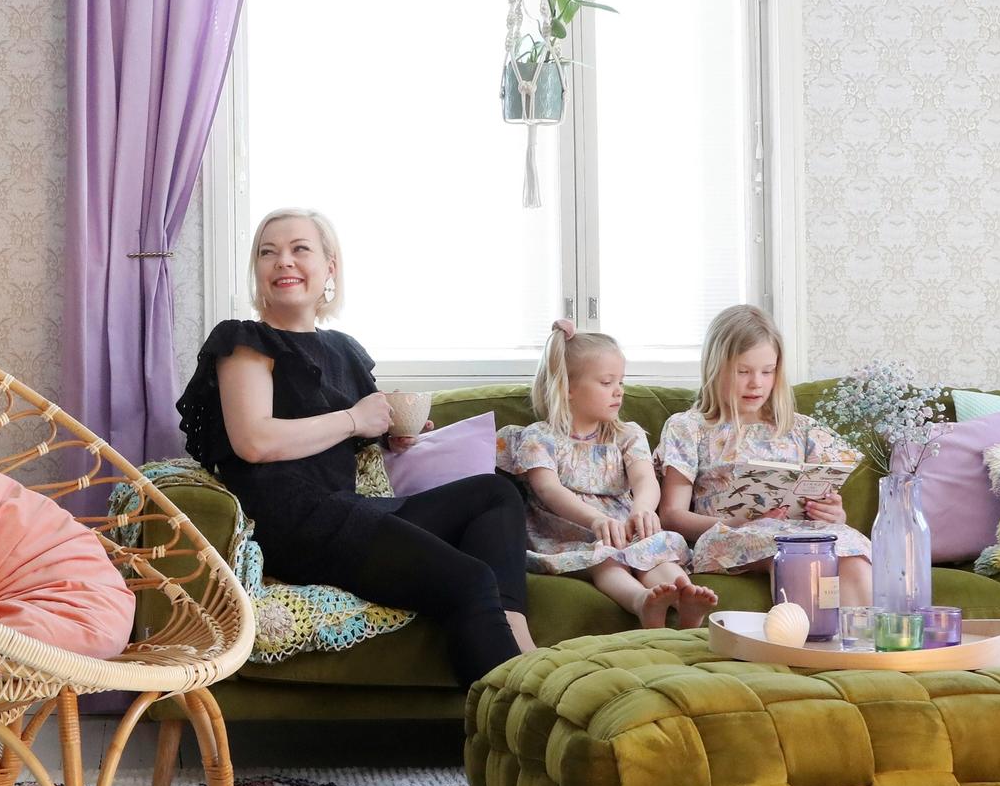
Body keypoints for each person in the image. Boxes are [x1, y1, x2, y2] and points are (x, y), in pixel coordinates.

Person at [176, 208, 532, 688]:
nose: (283, 261)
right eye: (268, 252)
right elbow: (254, 441)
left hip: (347, 510)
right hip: (292, 521)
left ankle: (517, 636)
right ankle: (512, 709)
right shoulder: (245, 342)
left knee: (496, 492)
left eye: (299, 249)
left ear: (330, 267)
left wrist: (393, 433)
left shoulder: (343, 350)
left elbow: (357, 433)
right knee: (468, 580)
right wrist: (354, 420)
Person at [500, 320, 715, 628]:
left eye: (621, 382)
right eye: (606, 382)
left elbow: (645, 479)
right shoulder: (540, 437)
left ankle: (685, 599)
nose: (619, 392)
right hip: (573, 534)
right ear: (567, 388)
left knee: (654, 551)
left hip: (626, 528)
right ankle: (642, 602)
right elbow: (549, 489)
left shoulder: (626, 435)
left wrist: (642, 509)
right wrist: (595, 520)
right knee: (606, 560)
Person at [656, 303, 873, 600]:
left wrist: (834, 513)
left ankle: (857, 632)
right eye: (743, 371)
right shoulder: (689, 427)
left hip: (802, 534)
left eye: (767, 372)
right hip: (730, 536)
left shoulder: (800, 428)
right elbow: (671, 515)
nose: (756, 383)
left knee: (852, 556)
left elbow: (825, 499)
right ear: (715, 368)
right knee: (800, 555)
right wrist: (736, 523)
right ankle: (798, 631)